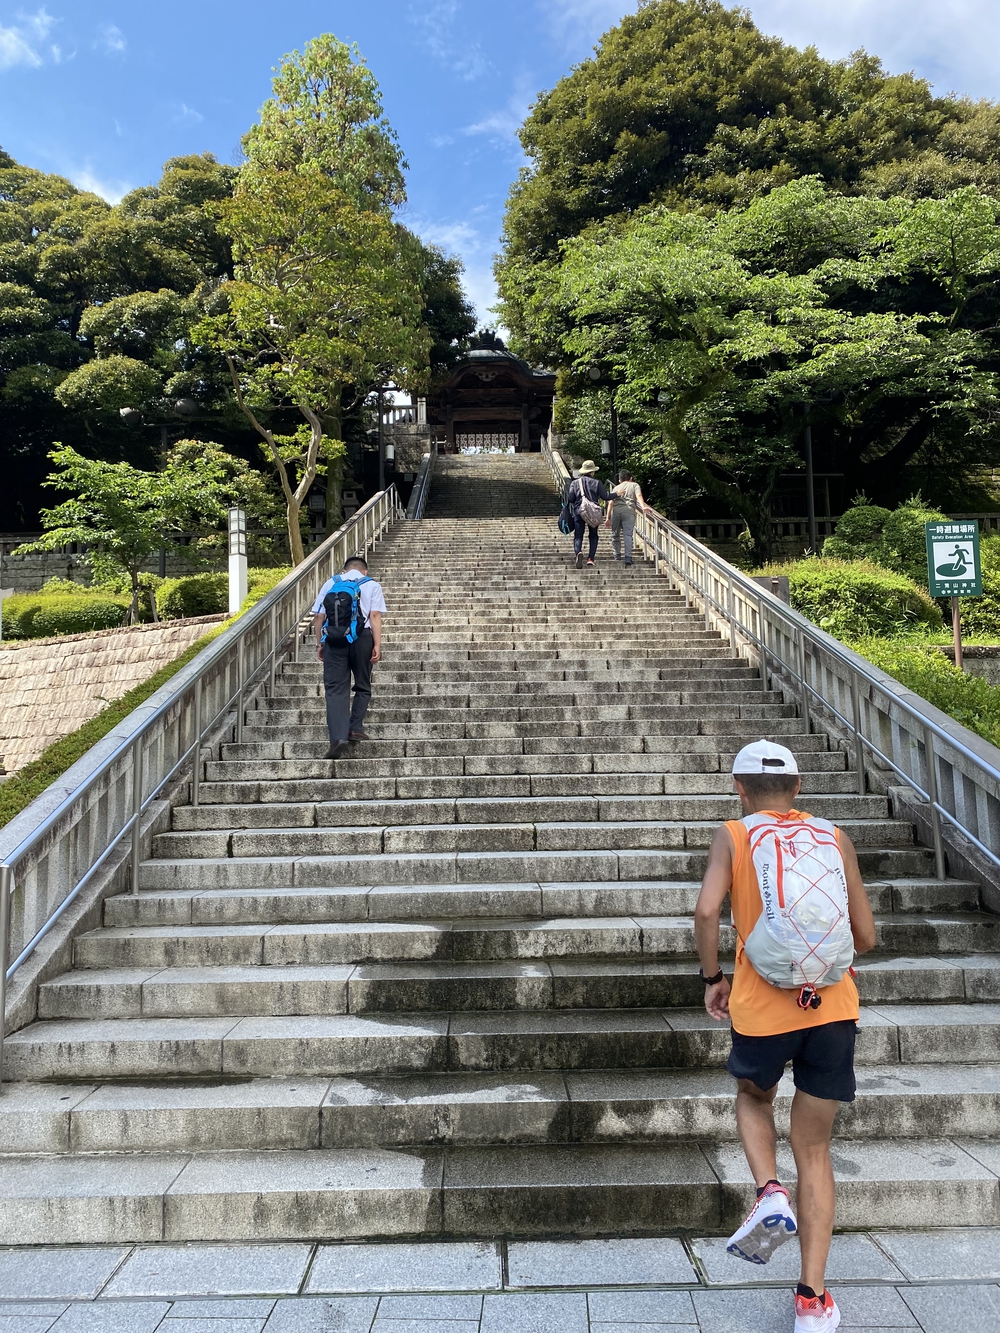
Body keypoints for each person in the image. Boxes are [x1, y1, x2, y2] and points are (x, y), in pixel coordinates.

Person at [694, 740, 876, 1333]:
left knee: (753, 1096)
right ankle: (812, 1299)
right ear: (798, 787)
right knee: (816, 1150)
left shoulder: (735, 834)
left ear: (739, 788)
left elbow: (704, 913)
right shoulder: (834, 836)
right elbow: (866, 937)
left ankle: (769, 1190)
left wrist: (715, 977)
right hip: (831, 1007)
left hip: (761, 1007)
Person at [311, 554, 387, 760]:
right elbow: (375, 616)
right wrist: (377, 644)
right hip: (362, 638)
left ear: (344, 571)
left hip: (334, 639)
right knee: (362, 685)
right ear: (365, 571)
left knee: (335, 689)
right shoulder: (371, 585)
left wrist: (320, 643)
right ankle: (355, 727)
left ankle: (338, 738)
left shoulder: (331, 582)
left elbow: (318, 616)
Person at [569, 460, 612, 568]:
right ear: (592, 472)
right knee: (593, 536)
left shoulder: (575, 483)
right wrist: (617, 494)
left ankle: (578, 552)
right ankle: (590, 559)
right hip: (593, 512)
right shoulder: (597, 483)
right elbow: (606, 496)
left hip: (579, 511)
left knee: (578, 535)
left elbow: (570, 498)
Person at [604, 469, 652, 565]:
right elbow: (638, 495)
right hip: (629, 512)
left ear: (619, 480)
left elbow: (610, 503)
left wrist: (607, 518)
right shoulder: (634, 485)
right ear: (631, 478)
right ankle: (628, 557)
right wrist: (643, 507)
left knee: (615, 534)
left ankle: (617, 555)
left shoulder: (616, 488)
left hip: (616, 512)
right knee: (628, 535)